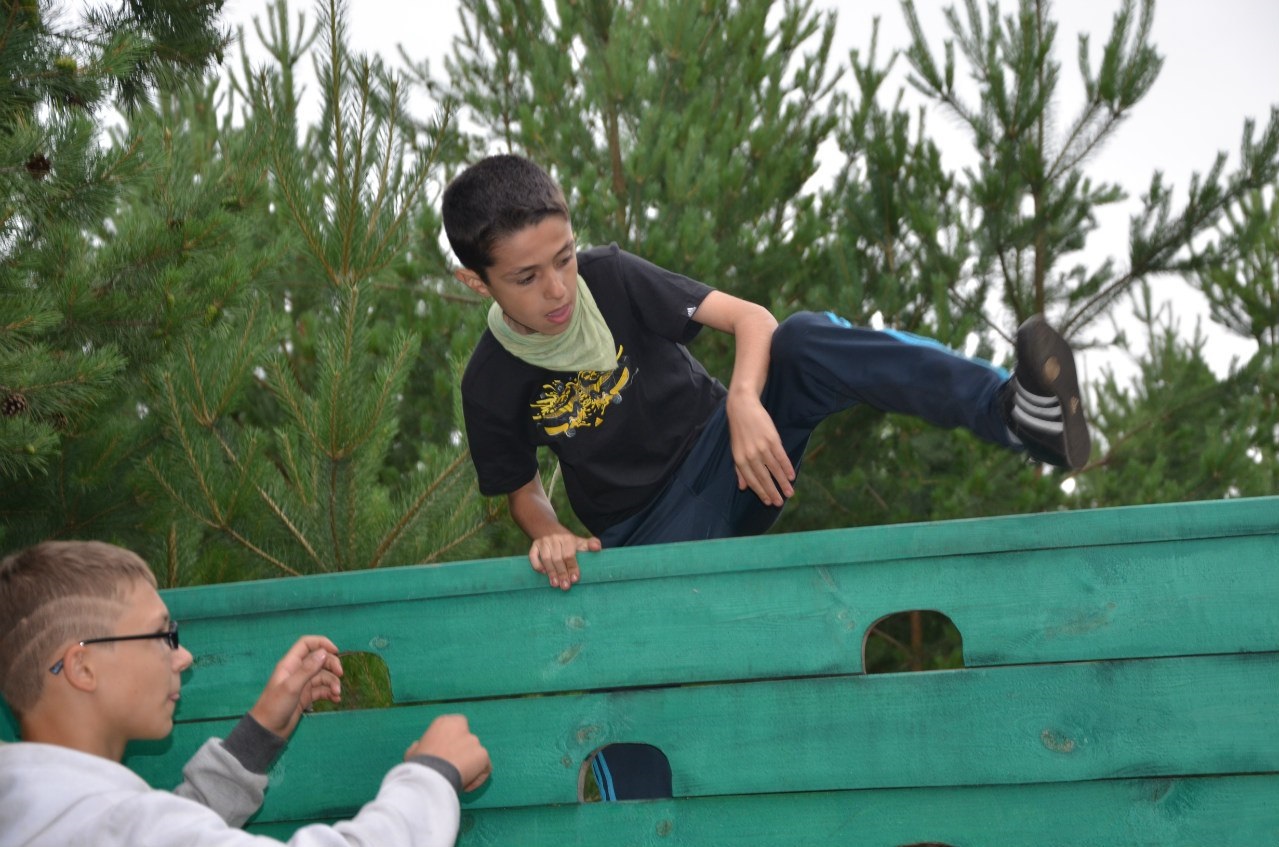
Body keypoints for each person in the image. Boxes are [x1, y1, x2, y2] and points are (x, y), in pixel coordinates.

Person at [445, 154, 1092, 593]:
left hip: (735, 461)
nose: (558, 289)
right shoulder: (490, 382)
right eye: (527, 277)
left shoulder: (610, 277)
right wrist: (552, 535)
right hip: (646, 538)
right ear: (476, 281)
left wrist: (744, 401)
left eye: (564, 258)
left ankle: (1012, 412)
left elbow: (751, 318)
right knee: (632, 711)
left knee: (803, 339)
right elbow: (521, 489)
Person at [0, 540, 491, 847]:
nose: (183, 656)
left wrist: (258, 736)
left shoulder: (34, 810)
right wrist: (432, 776)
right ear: (82, 666)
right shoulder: (114, 825)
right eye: (162, 635)